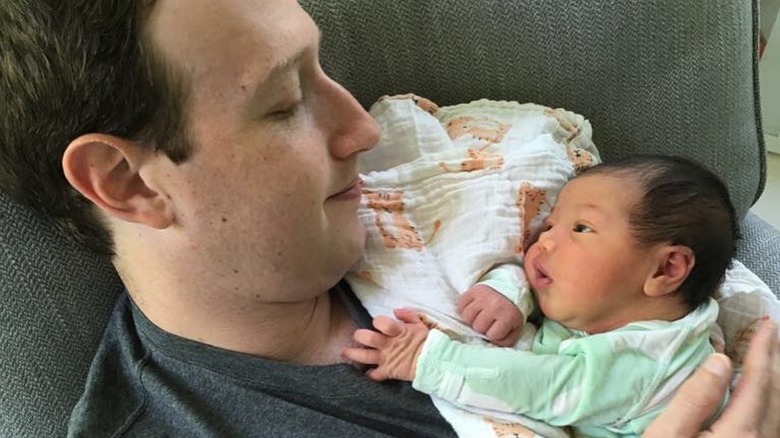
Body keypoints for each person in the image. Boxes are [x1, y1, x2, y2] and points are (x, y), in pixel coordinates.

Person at [0, 0, 777, 436]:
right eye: (282, 104)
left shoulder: (452, 199)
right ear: (125, 181)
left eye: (321, 67)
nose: (362, 130)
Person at [343, 155, 737, 436]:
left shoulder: (655, 362)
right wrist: (506, 294)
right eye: (550, 224)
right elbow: (531, 283)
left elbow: (542, 386)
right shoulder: (601, 307)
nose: (544, 240)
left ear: (665, 270)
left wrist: (424, 360)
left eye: (581, 228)